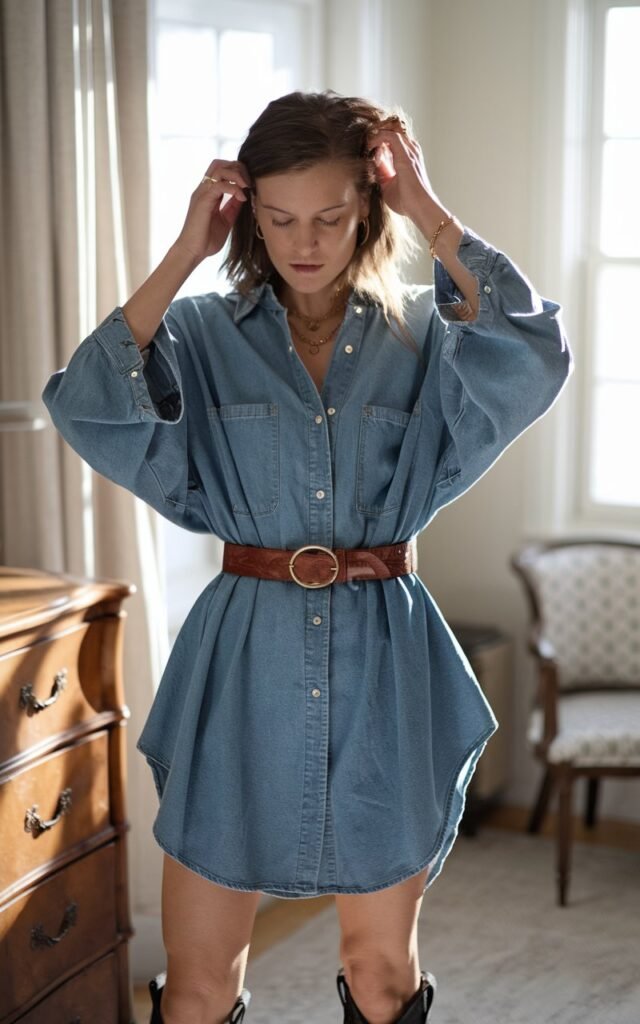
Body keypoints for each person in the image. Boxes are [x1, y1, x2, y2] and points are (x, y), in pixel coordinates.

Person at [42, 90, 573, 1024]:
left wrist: (430, 211)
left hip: (385, 660)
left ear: (368, 209)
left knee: (383, 977)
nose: (306, 242)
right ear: (251, 218)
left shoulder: (427, 334)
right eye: (281, 219)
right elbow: (85, 404)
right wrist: (183, 255)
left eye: (331, 216)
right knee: (201, 987)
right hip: (242, 664)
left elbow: (531, 352)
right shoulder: (204, 335)